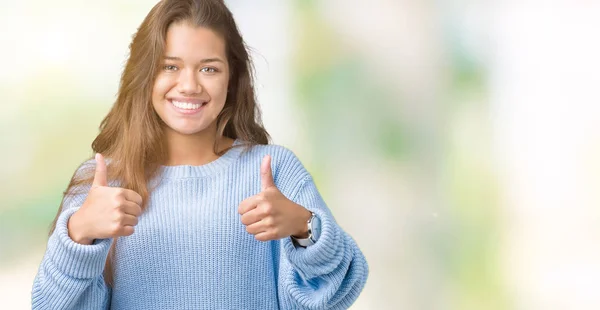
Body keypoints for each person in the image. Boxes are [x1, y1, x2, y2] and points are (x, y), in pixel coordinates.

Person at [31, 0, 368, 309]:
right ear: (144, 74)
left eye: (209, 69)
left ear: (232, 79)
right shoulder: (102, 184)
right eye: (169, 67)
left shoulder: (274, 169)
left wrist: (302, 227)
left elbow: (338, 288)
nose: (189, 85)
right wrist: (79, 234)